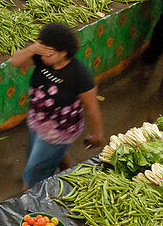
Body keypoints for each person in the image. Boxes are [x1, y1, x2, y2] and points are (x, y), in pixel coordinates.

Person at [8, 23, 104, 192]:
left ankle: (28, 198)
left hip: (60, 131)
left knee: (33, 171)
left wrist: (97, 134)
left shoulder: (80, 75)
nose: (44, 55)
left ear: (63, 52)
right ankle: (66, 168)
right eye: (43, 48)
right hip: (37, 122)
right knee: (34, 154)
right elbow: (15, 62)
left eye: (50, 51)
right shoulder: (41, 57)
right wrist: (32, 49)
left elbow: (92, 108)